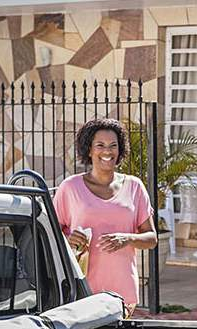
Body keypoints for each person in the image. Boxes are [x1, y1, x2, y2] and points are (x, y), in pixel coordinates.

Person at [53, 118, 158, 316]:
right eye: (100, 145)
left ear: (120, 150)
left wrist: (127, 238)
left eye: (113, 146)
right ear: (89, 150)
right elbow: (50, 237)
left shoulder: (134, 187)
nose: (107, 151)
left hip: (123, 292)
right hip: (81, 291)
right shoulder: (70, 187)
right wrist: (68, 239)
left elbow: (151, 238)